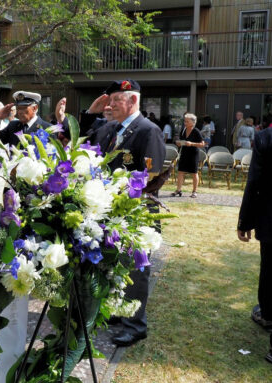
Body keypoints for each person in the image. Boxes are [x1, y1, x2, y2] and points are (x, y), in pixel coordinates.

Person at [82, 79, 165, 347]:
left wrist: (123, 197)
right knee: (113, 264)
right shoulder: (108, 129)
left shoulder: (148, 131)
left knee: (136, 269)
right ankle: (119, 311)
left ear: (133, 101)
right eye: (110, 100)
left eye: (116, 99)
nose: (111, 104)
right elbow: (87, 148)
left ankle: (135, 324)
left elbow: (150, 176)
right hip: (108, 210)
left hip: (136, 211)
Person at [237, 90, 272, 364]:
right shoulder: (267, 136)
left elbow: (255, 183)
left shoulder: (268, 136)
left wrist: (245, 221)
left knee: (270, 267)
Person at [171, 113, 205, 198]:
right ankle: (178, 190)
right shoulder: (183, 130)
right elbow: (183, 141)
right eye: (184, 121)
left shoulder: (196, 131)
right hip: (184, 153)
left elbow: (202, 144)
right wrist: (179, 143)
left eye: (187, 121)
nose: (185, 123)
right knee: (180, 172)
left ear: (193, 122)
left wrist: (192, 144)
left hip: (193, 154)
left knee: (194, 173)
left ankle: (194, 191)